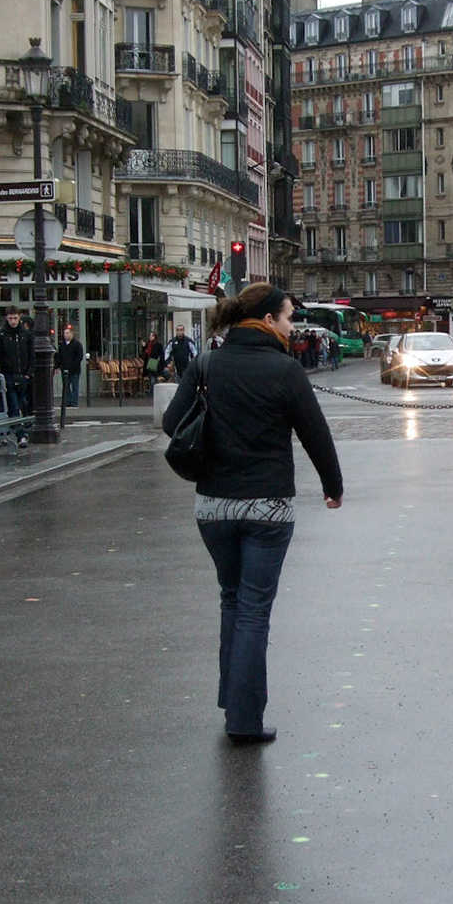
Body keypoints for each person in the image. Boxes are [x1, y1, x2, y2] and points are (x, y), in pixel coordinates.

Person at [164, 283, 343, 747]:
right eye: (286, 318)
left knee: (232, 599)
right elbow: (315, 434)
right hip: (268, 505)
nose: (290, 326)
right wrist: (333, 487)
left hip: (214, 505)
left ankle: (233, 700)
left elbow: (171, 423)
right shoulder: (285, 370)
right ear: (267, 320)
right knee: (254, 610)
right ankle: (244, 718)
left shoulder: (207, 363)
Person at [0, 309, 33, 418]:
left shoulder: (25, 334)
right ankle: (18, 430)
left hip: (23, 373)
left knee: (23, 402)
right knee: (14, 404)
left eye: (15, 318)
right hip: (9, 374)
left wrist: (28, 373)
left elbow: (31, 354)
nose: (13, 321)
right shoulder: (2, 334)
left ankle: (23, 426)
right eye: (10, 318)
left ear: (19, 318)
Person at [58, 322, 86, 407]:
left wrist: (72, 366)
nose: (65, 335)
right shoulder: (62, 345)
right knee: (66, 387)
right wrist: (58, 366)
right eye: (64, 333)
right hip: (64, 369)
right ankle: (67, 402)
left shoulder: (77, 344)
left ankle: (74, 402)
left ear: (71, 333)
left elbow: (79, 357)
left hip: (74, 370)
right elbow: (59, 357)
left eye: (67, 333)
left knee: (74, 386)